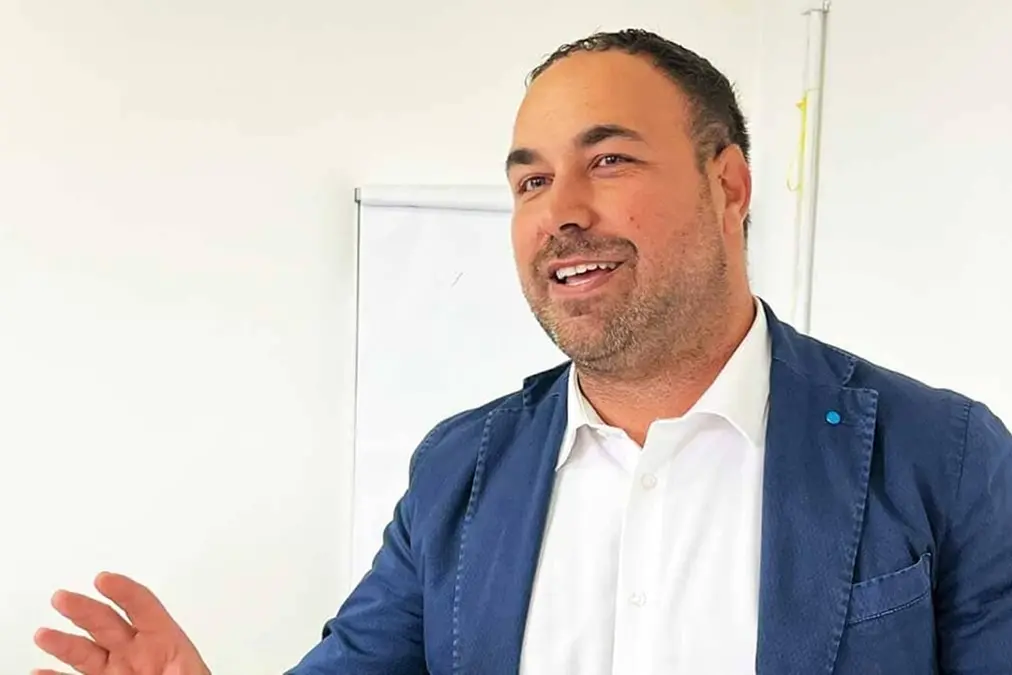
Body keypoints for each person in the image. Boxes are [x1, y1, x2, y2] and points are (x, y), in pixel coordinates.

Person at [32, 28, 1012, 675]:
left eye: (608, 160)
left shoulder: (945, 455)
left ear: (728, 186)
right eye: (531, 182)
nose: (560, 213)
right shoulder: (460, 469)